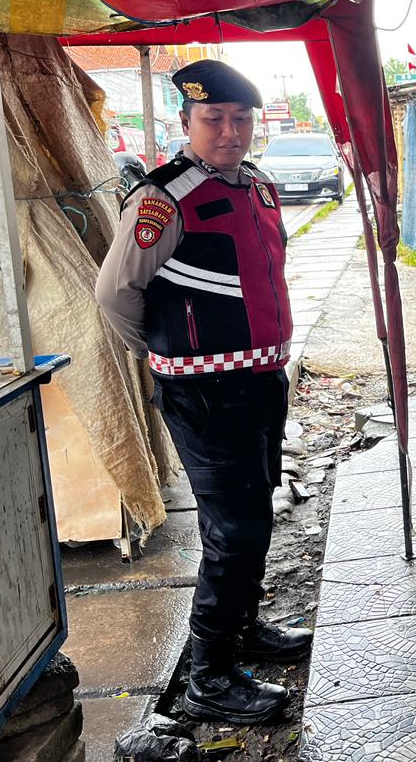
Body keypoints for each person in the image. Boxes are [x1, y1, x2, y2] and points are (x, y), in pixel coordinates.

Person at [95, 60, 310, 725]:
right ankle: (208, 676)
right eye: (213, 119)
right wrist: (164, 353)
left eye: (240, 119)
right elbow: (116, 293)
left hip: (260, 381)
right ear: (186, 122)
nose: (229, 131)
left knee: (255, 509)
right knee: (233, 529)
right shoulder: (164, 197)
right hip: (204, 393)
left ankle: (242, 629)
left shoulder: (259, 186)